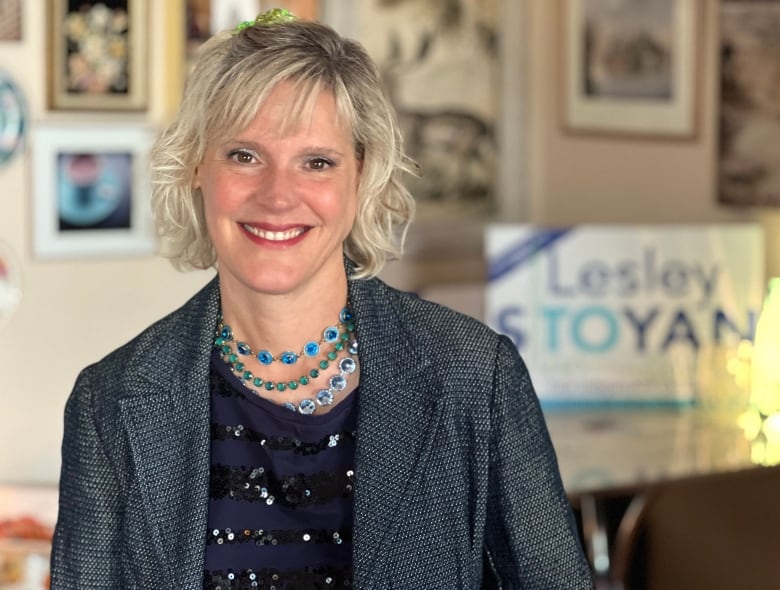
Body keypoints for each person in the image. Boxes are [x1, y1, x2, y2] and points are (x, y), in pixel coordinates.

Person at [51, 9, 594, 590]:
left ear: (361, 177)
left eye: (317, 162)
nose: (279, 194)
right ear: (194, 167)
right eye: (244, 155)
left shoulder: (474, 375)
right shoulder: (109, 401)